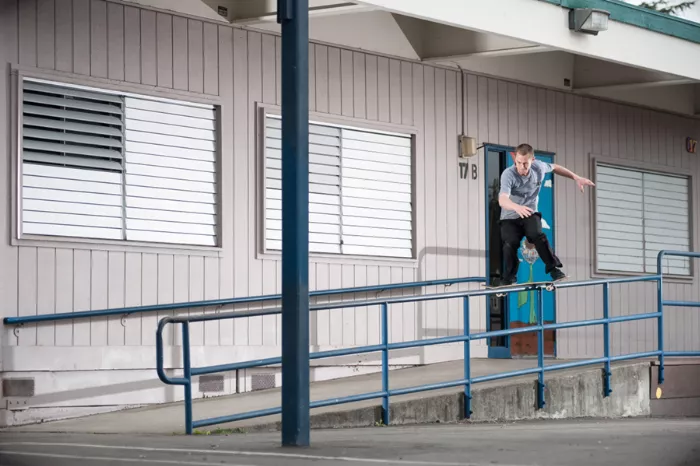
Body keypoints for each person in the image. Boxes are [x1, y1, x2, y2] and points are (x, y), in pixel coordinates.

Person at [498, 143, 595, 286]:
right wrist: (516, 207)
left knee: (537, 235)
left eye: (525, 164)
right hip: (510, 215)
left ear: (533, 160)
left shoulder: (539, 167)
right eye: (518, 163)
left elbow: (555, 167)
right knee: (509, 243)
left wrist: (576, 177)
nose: (522, 167)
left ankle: (553, 269)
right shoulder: (509, 174)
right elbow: (502, 199)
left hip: (530, 212)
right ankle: (508, 278)